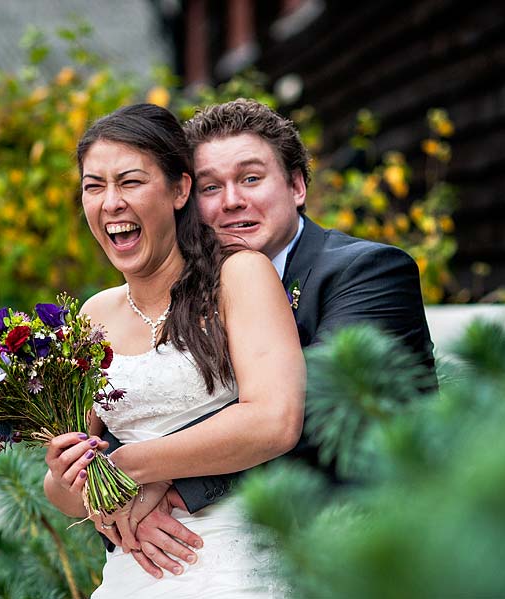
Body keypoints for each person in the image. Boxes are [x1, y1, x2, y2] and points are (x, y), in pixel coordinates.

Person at [112, 98, 438, 578]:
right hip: (215, 548)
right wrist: (112, 500)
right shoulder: (185, 296)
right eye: (210, 186)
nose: (231, 201)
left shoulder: (366, 271)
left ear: (297, 185)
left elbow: (315, 404)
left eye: (250, 178)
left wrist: (162, 477)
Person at [43, 103, 306, 598]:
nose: (111, 202)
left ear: (180, 189)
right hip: (134, 572)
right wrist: (69, 477)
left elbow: (274, 420)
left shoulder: (240, 275)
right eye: (93, 186)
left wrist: (128, 467)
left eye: (131, 182)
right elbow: (65, 495)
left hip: (237, 558)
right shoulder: (92, 316)